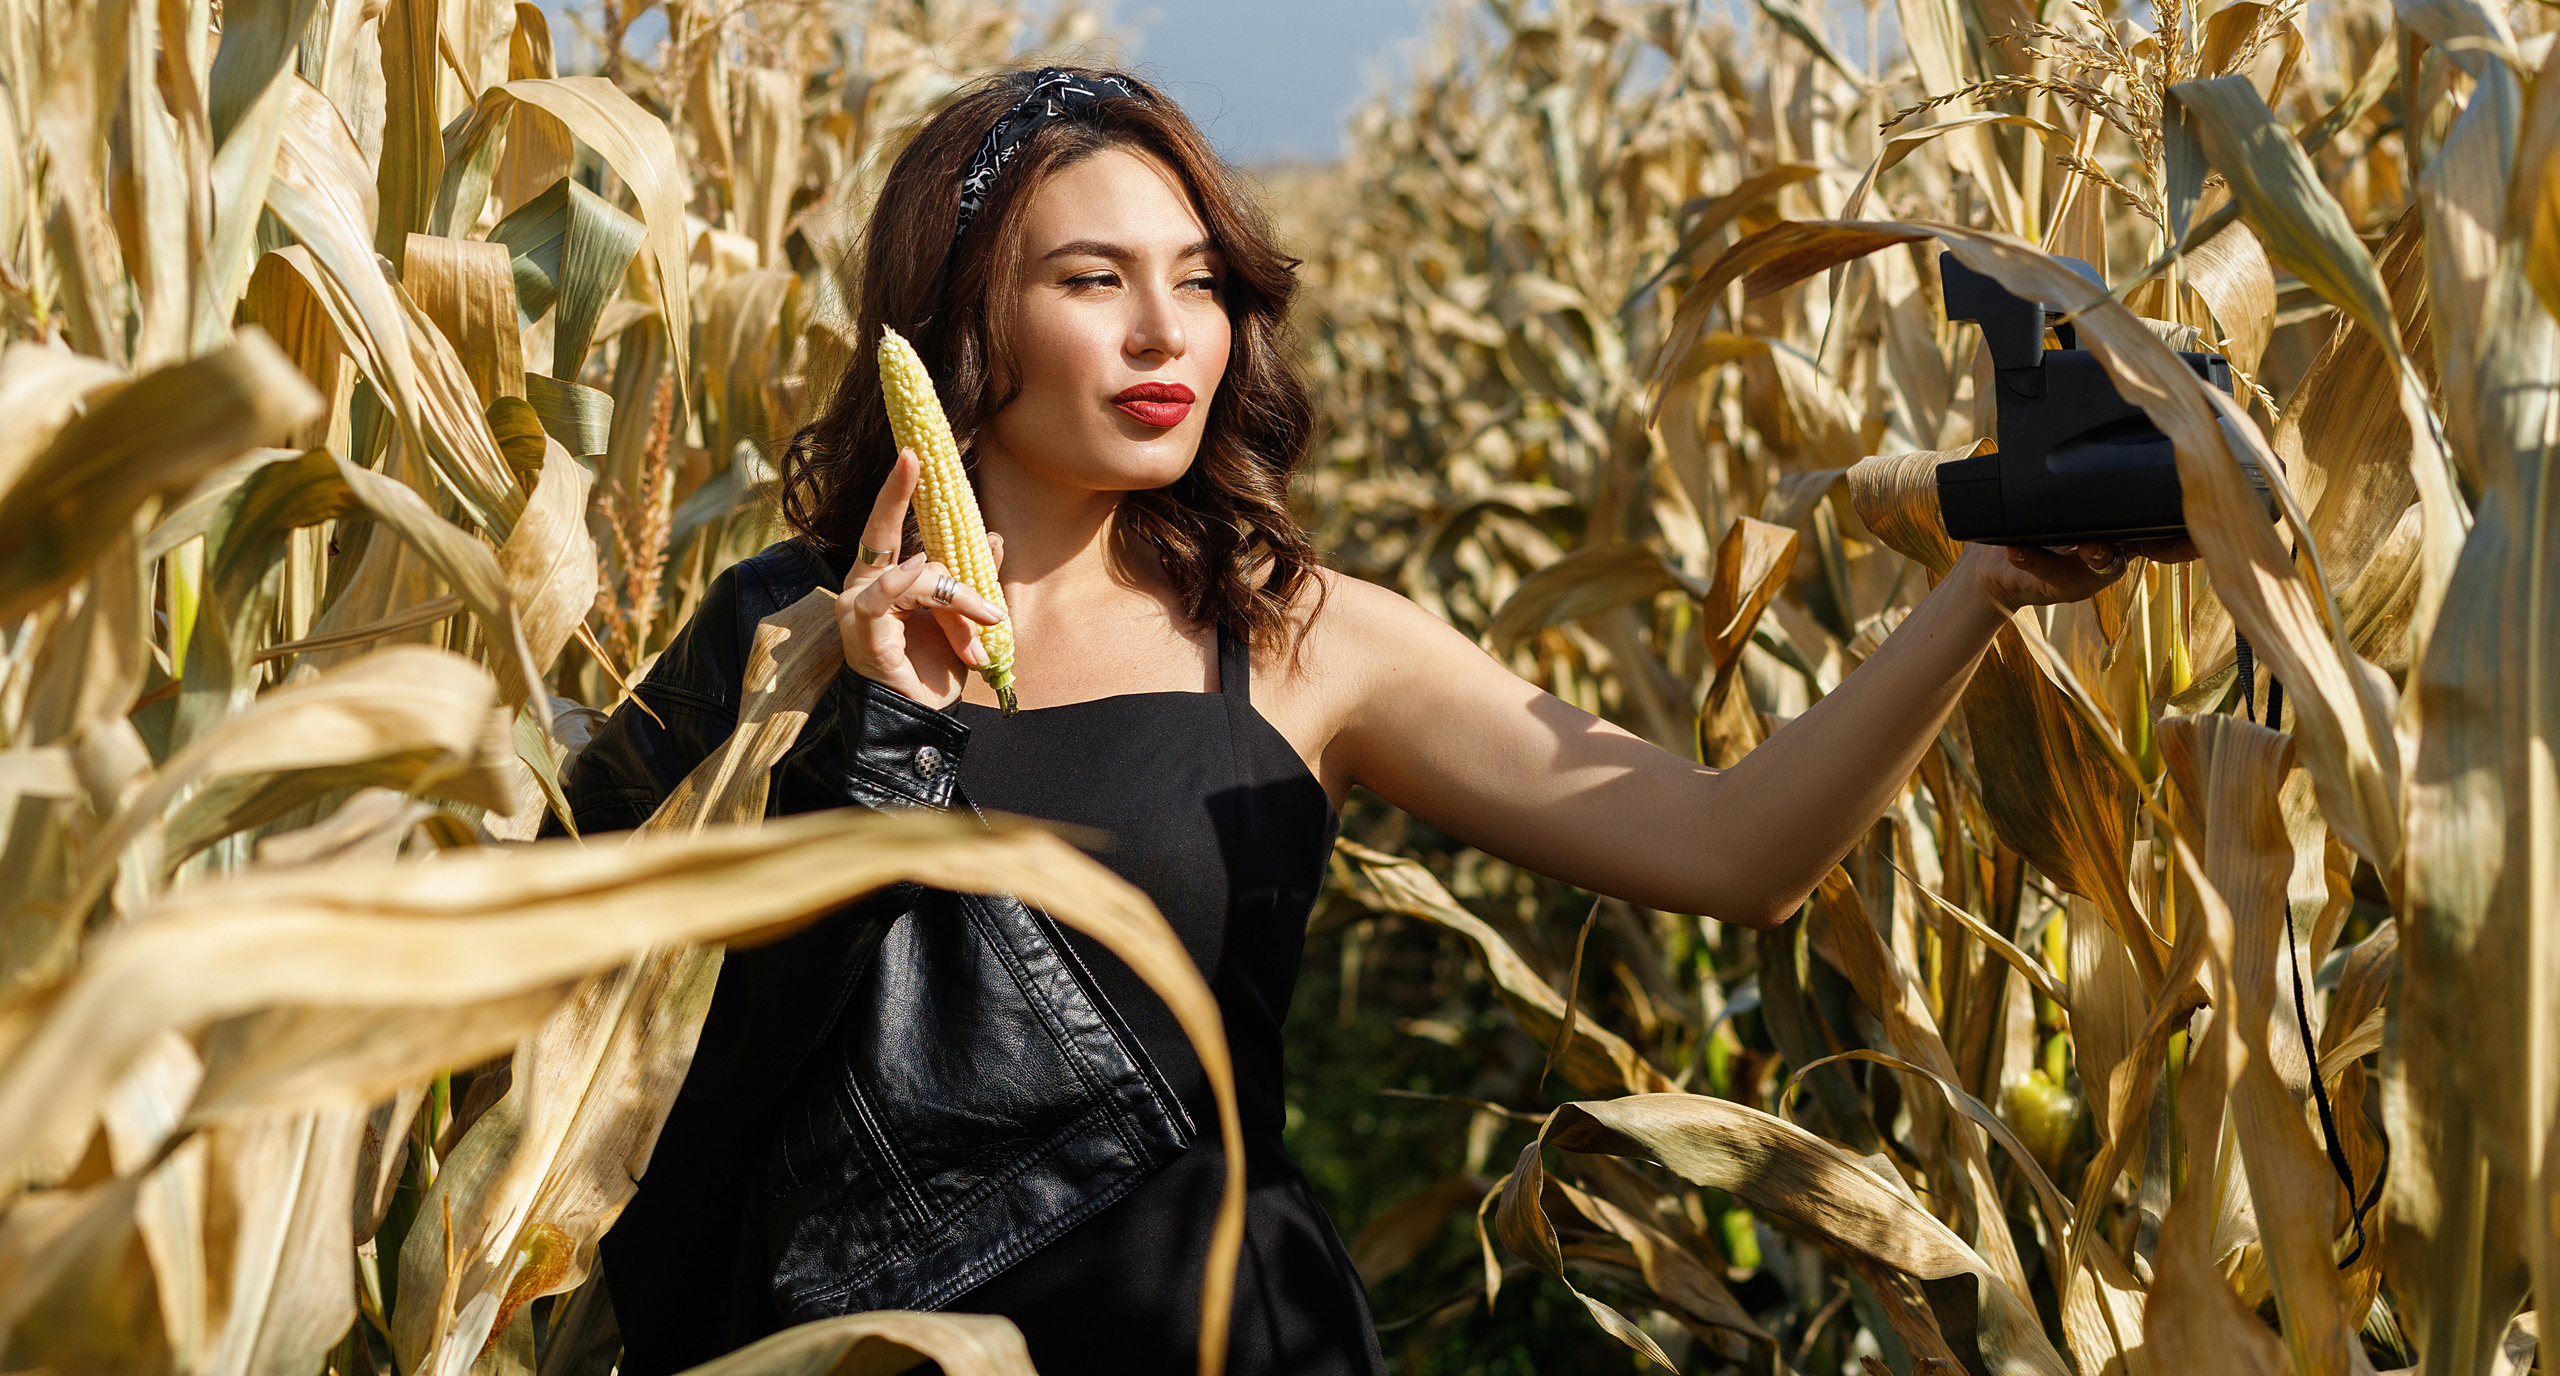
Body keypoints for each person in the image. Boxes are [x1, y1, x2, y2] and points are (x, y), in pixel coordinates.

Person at [565, 66, 2180, 1376]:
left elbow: (1734, 849)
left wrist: (1979, 590)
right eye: (1090, 280)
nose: (1164, 338)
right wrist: (858, 736)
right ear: (957, 315)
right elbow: (596, 1064)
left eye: (1199, 285)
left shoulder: (1300, 640)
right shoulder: (778, 636)